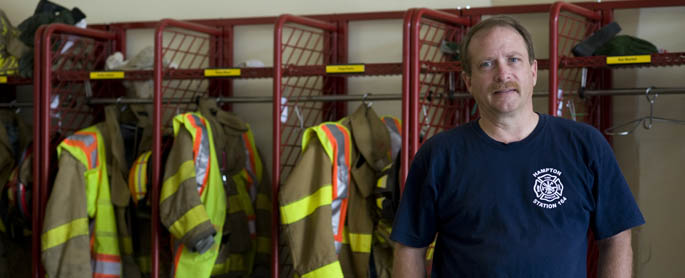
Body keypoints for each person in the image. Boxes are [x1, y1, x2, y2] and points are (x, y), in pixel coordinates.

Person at [390, 15, 644, 277]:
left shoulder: (585, 145)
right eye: (487, 64)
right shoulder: (439, 154)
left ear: (532, 72)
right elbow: (409, 248)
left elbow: (617, 237)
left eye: (513, 60)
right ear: (468, 82)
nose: (503, 74)